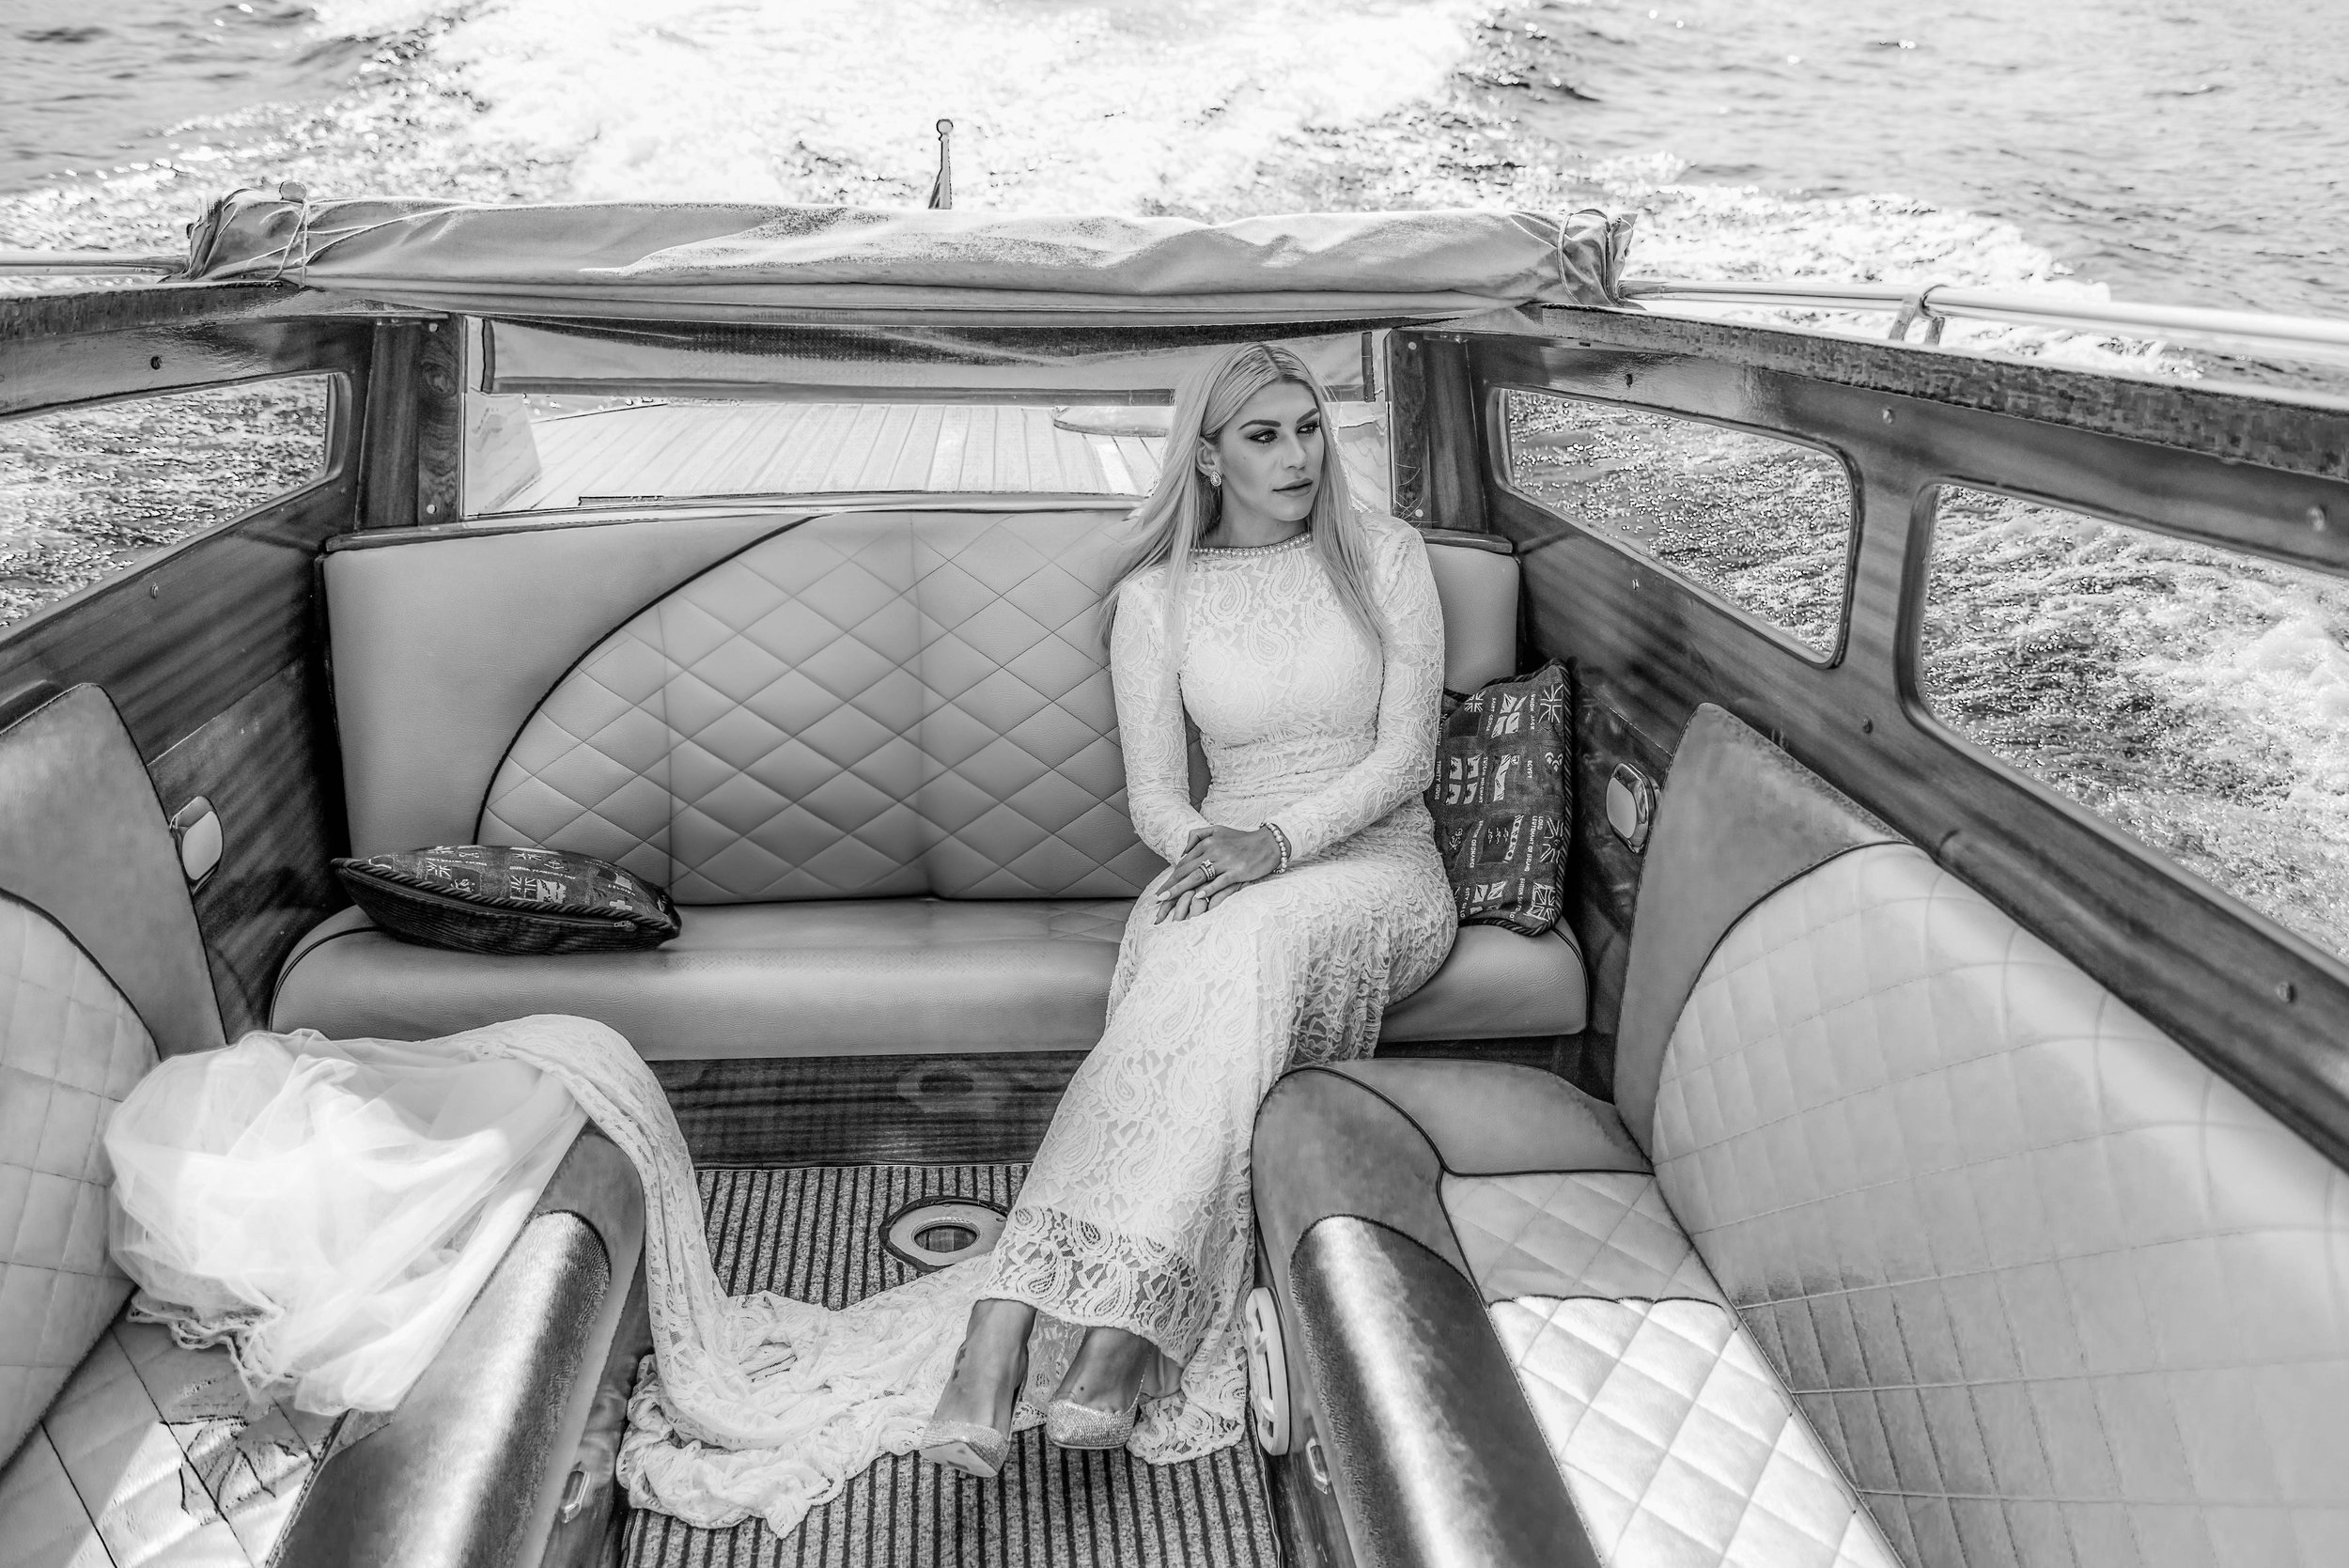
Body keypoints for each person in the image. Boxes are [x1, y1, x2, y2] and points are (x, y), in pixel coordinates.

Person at [915, 340, 1457, 1474]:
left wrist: (1279, 845)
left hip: (1377, 869)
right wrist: (1215, 851)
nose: (1298, 455)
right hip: (1224, 863)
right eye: (1263, 436)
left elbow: (1408, 757)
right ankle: (1030, 1326)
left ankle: (1061, 1333)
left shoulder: (1387, 556)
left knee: (1241, 934)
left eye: (1309, 427)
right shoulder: (1155, 600)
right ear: (1207, 458)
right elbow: (1158, 797)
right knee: (1198, 939)